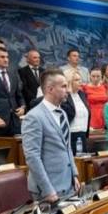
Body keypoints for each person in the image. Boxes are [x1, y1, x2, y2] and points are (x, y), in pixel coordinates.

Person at [21, 69, 80, 202]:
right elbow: (32, 157)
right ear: (50, 89)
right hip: (48, 189)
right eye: (63, 86)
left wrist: (74, 175)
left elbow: (67, 148)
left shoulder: (62, 113)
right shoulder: (34, 117)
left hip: (67, 184)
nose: (68, 90)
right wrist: (47, 189)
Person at [66, 71, 91, 155]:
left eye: (80, 79)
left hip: (83, 133)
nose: (80, 82)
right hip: (71, 134)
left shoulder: (82, 94)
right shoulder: (65, 96)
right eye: (76, 80)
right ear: (69, 81)